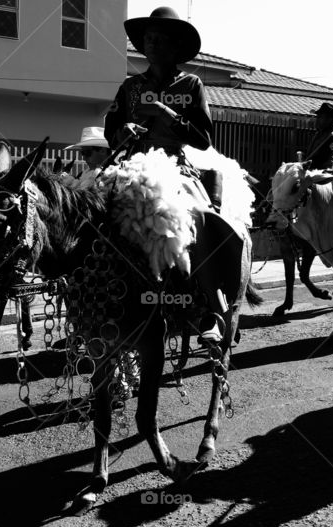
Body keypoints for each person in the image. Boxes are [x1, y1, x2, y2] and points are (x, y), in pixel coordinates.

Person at [104, 6, 228, 345]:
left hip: (175, 168)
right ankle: (98, 301)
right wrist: (123, 130)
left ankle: (210, 309)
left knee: (200, 218)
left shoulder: (191, 84)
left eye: (160, 39)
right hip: (133, 169)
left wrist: (165, 112)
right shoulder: (129, 87)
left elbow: (203, 139)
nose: (152, 44)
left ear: (175, 47)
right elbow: (110, 129)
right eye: (148, 39)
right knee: (94, 218)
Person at [303, 103, 333, 170]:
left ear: (329, 119)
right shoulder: (318, 134)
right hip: (310, 168)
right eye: (318, 117)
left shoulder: (332, 136)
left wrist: (308, 165)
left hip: (322, 171)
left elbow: (324, 157)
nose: (317, 120)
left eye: (320, 117)